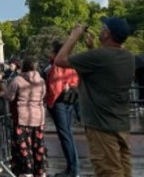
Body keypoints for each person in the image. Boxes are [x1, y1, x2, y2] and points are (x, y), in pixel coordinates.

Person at [55, 17, 134, 177]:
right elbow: (103, 68)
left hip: (101, 126)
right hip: (120, 123)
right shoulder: (128, 56)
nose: (100, 30)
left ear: (107, 34)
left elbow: (60, 60)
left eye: (103, 28)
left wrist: (74, 36)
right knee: (124, 170)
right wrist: (92, 48)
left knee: (108, 171)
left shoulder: (99, 56)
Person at [5, 57, 47, 177]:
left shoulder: (17, 79)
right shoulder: (42, 81)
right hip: (39, 117)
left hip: (22, 118)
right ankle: (40, 172)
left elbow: (10, 96)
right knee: (38, 147)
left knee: (24, 148)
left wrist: (3, 92)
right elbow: (43, 95)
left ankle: (27, 172)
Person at [46, 40, 80, 177]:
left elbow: (55, 85)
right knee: (68, 135)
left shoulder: (58, 63)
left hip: (59, 101)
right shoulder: (71, 62)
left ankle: (73, 169)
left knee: (65, 135)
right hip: (69, 100)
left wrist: (50, 102)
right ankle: (72, 167)